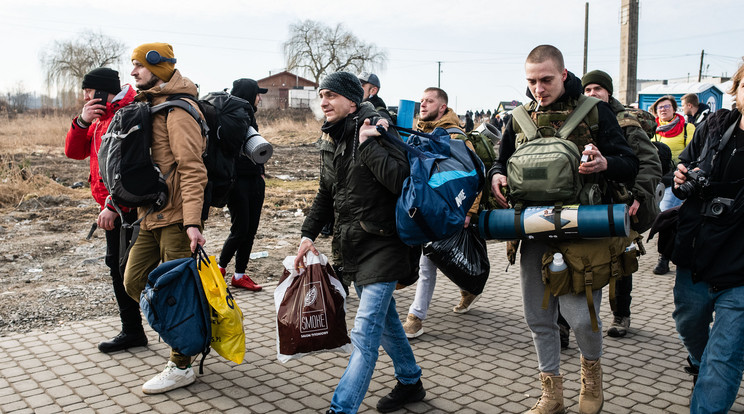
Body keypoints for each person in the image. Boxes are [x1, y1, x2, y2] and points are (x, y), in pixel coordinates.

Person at [489, 45, 638, 414]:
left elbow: (629, 163)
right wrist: (496, 176)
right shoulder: (518, 118)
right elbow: (499, 160)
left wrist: (605, 162)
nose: (539, 88)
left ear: (564, 75)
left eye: (546, 79)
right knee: (538, 318)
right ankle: (551, 394)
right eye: (532, 81)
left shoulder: (595, 111)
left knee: (581, 318)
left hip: (581, 231)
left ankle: (591, 378)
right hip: (533, 230)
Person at [294, 71, 425, 414]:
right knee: (386, 324)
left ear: (352, 101)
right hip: (355, 247)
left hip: (384, 245)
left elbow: (402, 182)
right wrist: (308, 235)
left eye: (331, 95)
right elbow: (327, 191)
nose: (324, 102)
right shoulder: (334, 136)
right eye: (321, 95)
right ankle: (411, 381)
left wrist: (369, 146)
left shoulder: (375, 127)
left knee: (365, 336)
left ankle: (342, 409)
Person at [121, 42, 208, 395]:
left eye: (139, 65)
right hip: (149, 215)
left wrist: (192, 223)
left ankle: (181, 363)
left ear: (157, 68)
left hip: (175, 219)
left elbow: (192, 169)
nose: (133, 71)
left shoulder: (178, 111)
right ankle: (194, 331)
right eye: (132, 64)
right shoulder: (150, 106)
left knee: (175, 295)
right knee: (133, 280)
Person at [671, 58, 744, 413]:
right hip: (697, 254)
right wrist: (682, 178)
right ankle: (699, 363)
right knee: (688, 322)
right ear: (737, 90)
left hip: (741, 269)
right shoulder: (715, 127)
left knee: (723, 359)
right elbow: (682, 167)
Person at [64, 68, 147, 353]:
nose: (85, 97)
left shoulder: (129, 112)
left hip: (130, 206)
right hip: (111, 206)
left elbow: (133, 165)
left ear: (101, 91)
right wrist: (81, 121)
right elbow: (74, 152)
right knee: (117, 266)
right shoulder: (100, 117)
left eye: (88, 91)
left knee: (132, 268)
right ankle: (133, 331)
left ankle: (146, 329)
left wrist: (115, 205)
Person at [582, 69, 663, 338]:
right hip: (589, 205)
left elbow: (650, 162)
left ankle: (620, 316)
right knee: (580, 261)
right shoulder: (579, 119)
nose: (592, 94)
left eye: (597, 89)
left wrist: (639, 194)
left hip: (623, 204)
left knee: (620, 263)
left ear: (608, 92)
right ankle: (569, 323)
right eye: (587, 90)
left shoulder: (626, 123)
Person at [401, 87, 482, 339]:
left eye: (429, 101)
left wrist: (470, 211)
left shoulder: (455, 137)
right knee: (440, 258)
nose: (423, 105)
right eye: (422, 100)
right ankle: (468, 289)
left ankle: (415, 317)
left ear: (442, 107)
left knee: (429, 264)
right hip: (424, 207)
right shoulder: (417, 131)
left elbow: (473, 175)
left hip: (446, 209)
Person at [217, 78, 268, 292]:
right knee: (240, 229)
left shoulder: (248, 115)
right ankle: (219, 269)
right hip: (238, 182)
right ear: (249, 94)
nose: (259, 98)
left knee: (250, 230)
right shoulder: (234, 117)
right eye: (257, 94)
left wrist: (261, 173)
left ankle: (239, 275)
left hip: (254, 180)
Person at [650, 95, 695, 275]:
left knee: (673, 216)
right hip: (659, 179)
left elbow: (694, 150)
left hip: (680, 178)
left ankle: (668, 257)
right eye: (660, 107)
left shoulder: (687, 127)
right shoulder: (653, 129)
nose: (663, 109)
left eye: (667, 106)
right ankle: (667, 255)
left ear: (674, 108)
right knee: (666, 217)